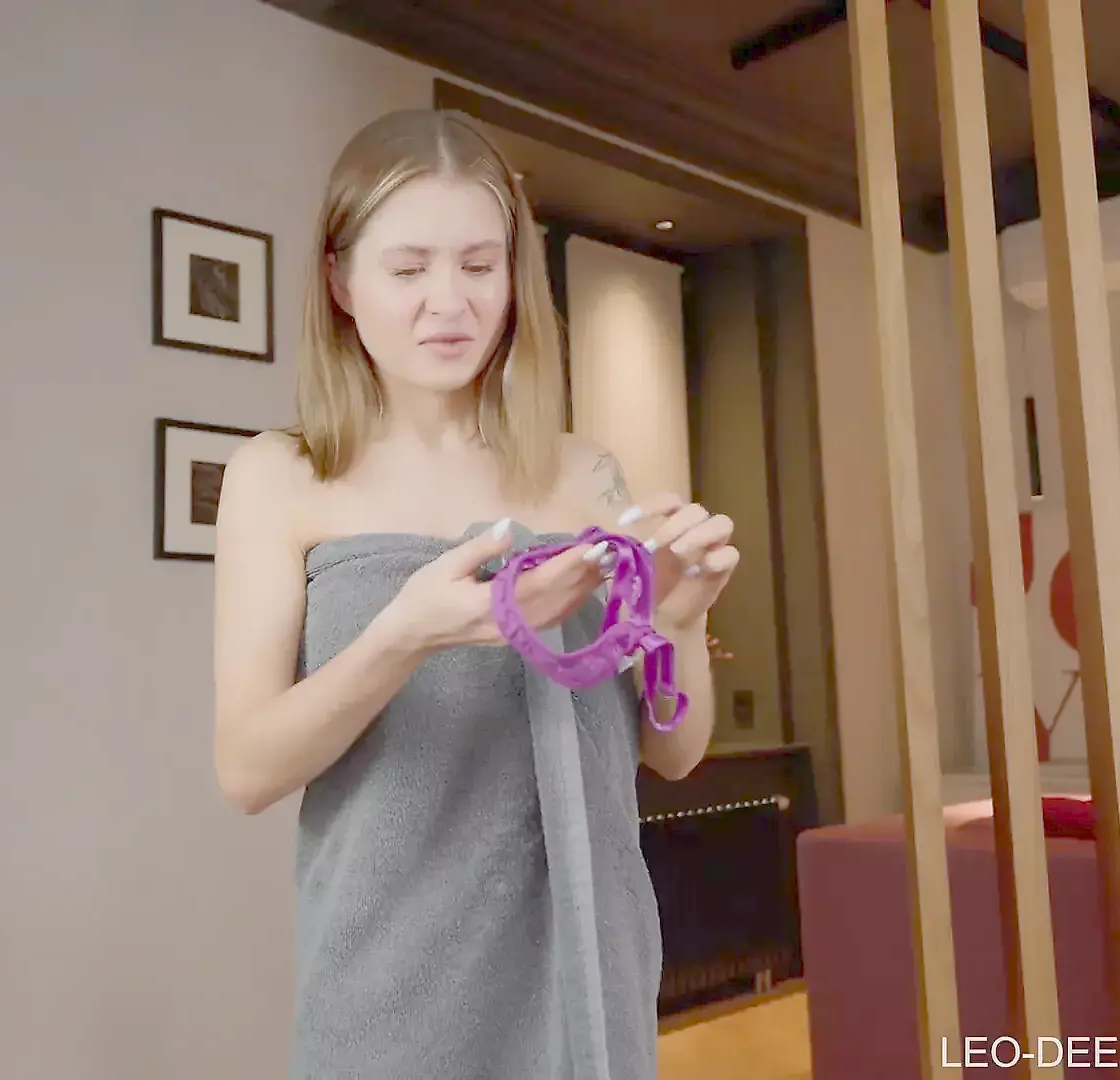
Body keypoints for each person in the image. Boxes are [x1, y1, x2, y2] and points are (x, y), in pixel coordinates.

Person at [211, 108, 739, 1080]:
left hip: (588, 986)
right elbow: (246, 769)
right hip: (388, 992)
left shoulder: (587, 476)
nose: (447, 302)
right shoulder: (280, 477)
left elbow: (672, 752)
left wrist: (679, 619)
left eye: (479, 265)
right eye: (409, 269)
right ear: (341, 282)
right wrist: (404, 636)